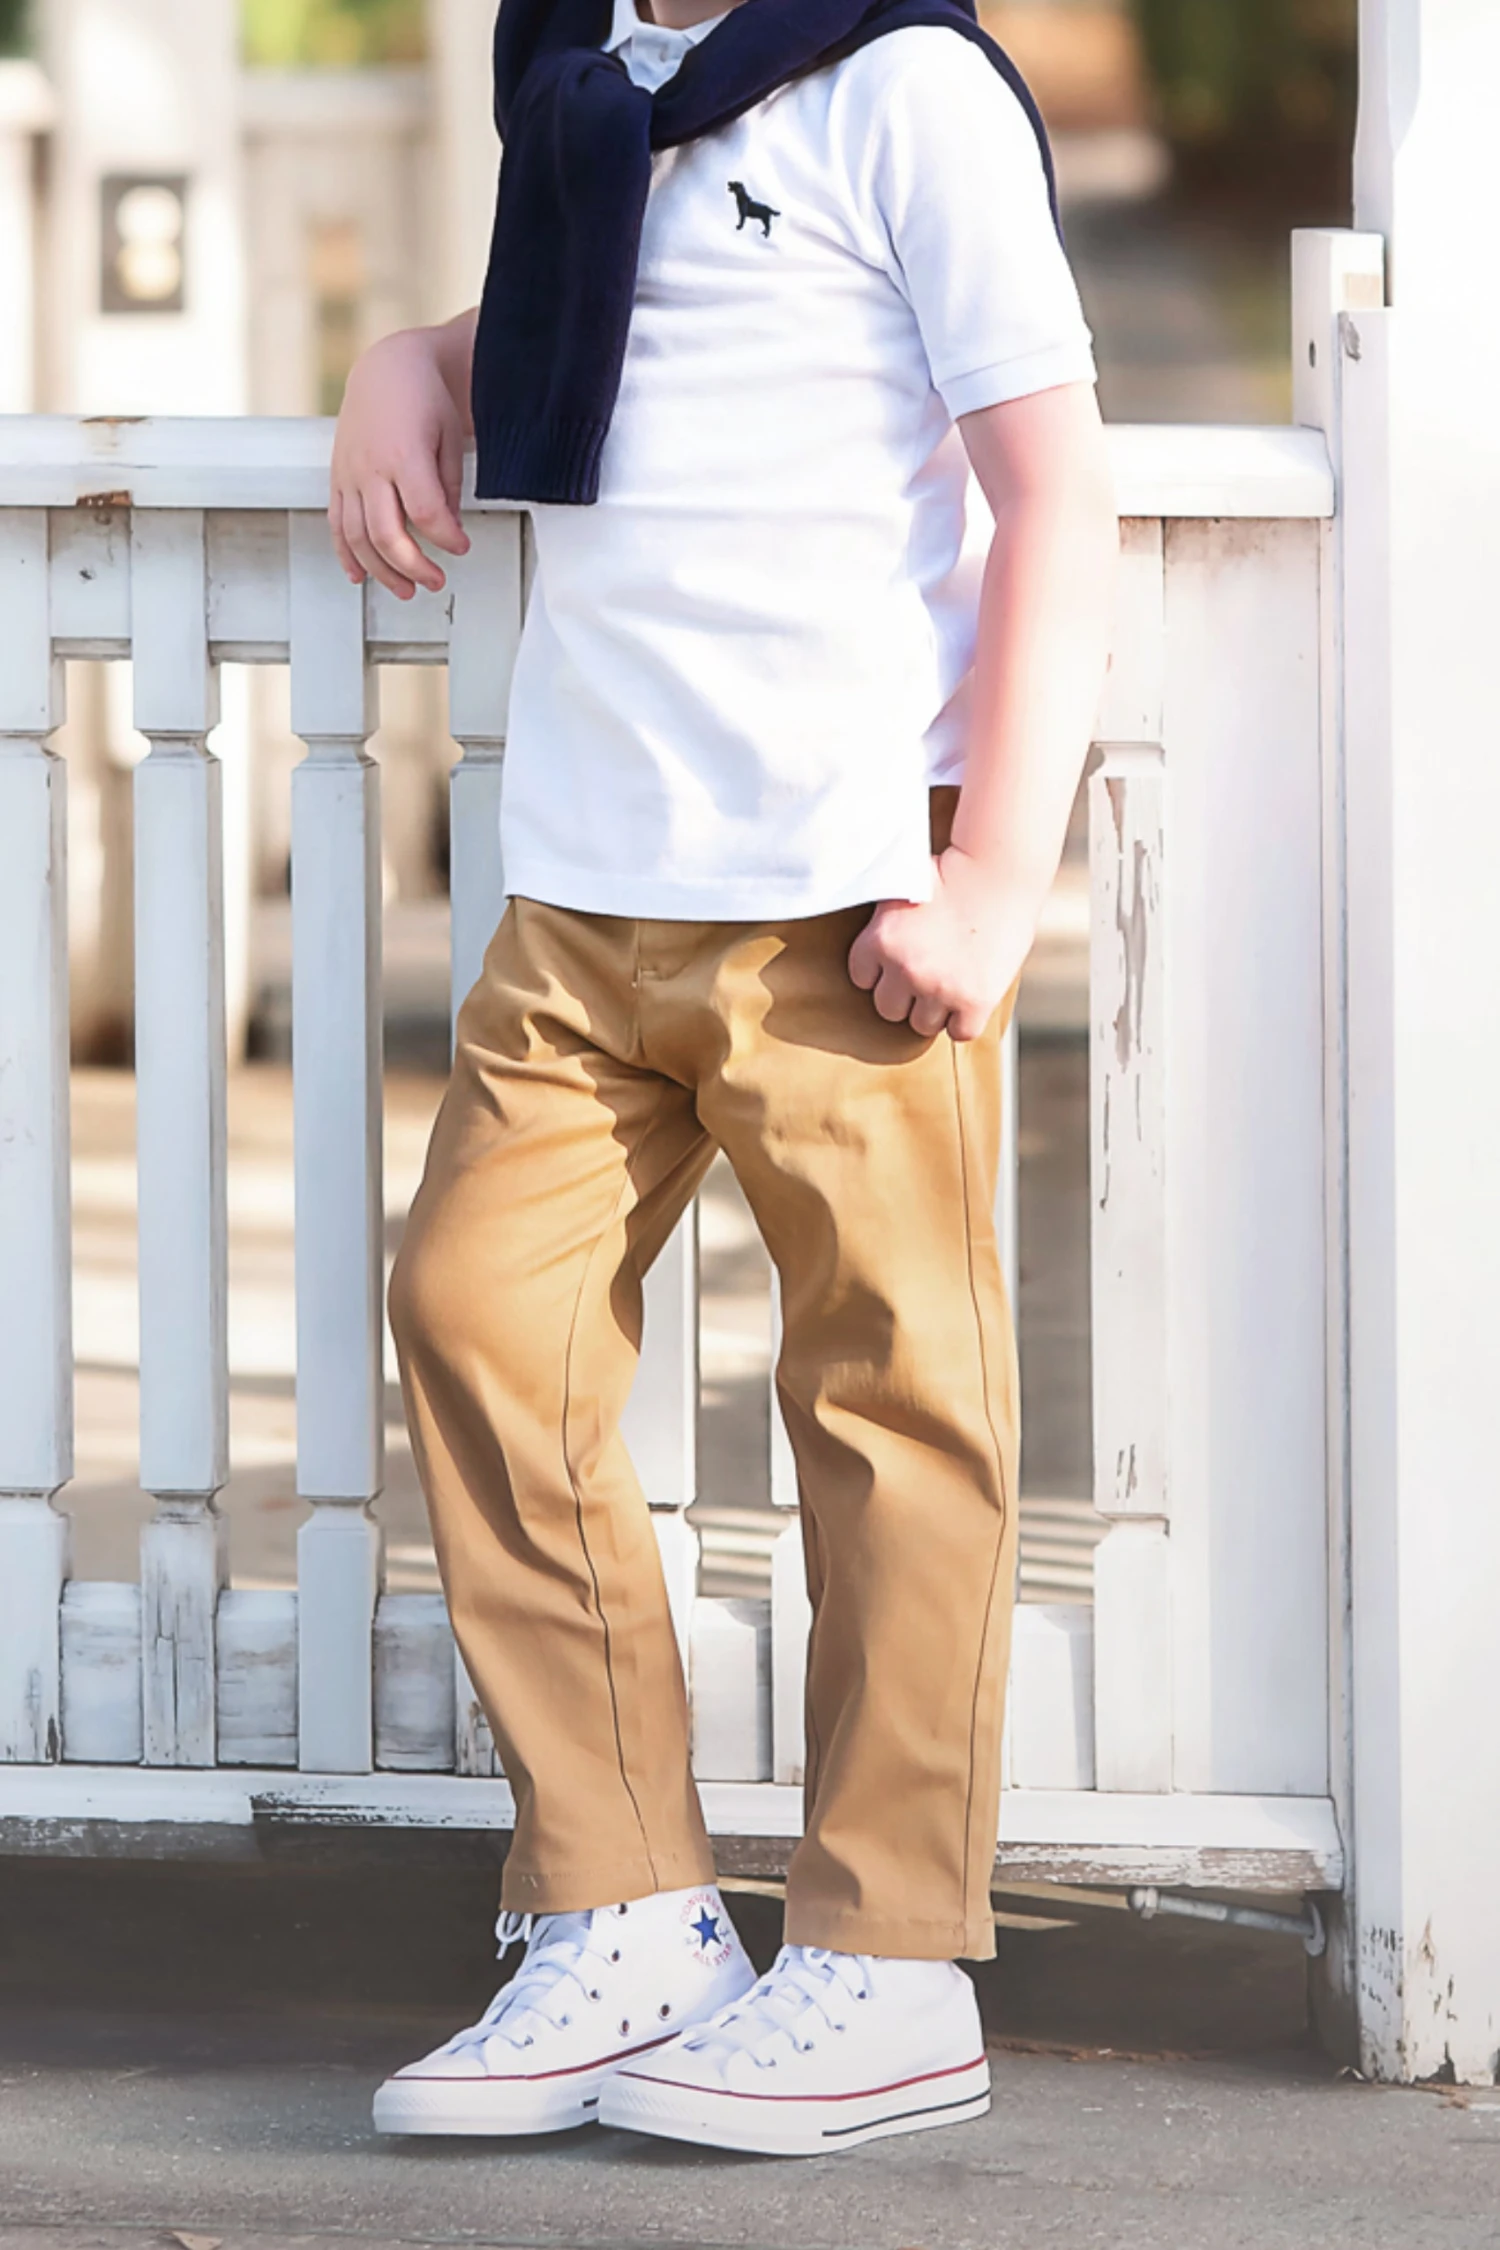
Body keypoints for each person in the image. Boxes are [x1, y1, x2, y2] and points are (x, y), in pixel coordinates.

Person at [329, 0, 1116, 2160]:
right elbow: (574, 323)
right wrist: (406, 361)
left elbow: (1055, 488)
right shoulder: (592, 81)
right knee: (477, 1310)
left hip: (840, 881)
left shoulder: (904, 88)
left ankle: (889, 1952)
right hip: (591, 883)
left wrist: (994, 878)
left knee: (891, 1396)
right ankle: (624, 1907)